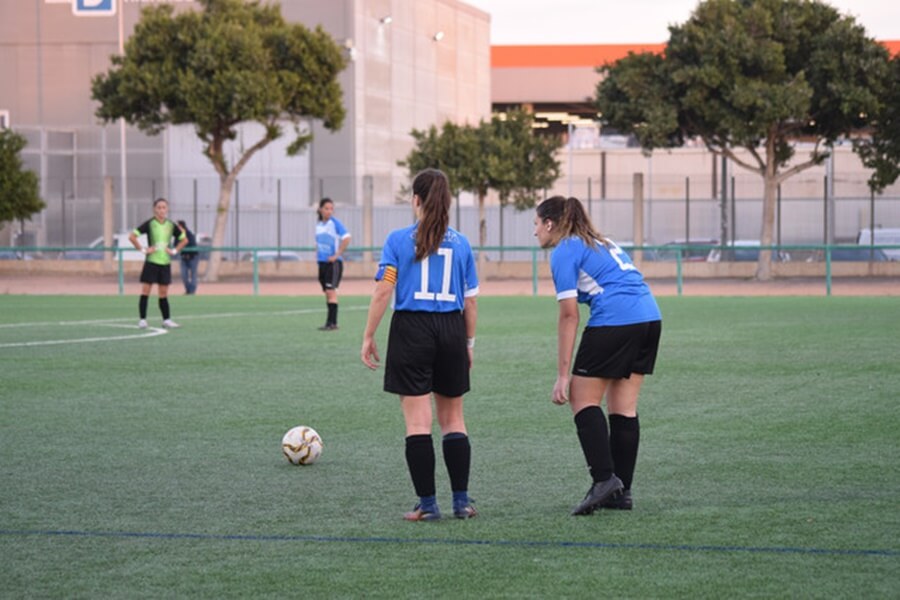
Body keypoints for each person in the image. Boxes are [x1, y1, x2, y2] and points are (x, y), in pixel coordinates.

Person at [361, 168, 479, 521]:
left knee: (418, 423)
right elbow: (470, 302)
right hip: (451, 329)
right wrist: (468, 343)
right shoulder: (462, 243)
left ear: (416, 201)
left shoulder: (398, 240)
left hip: (411, 329)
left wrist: (368, 335)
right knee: (454, 419)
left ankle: (428, 505)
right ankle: (462, 501)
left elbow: (384, 290)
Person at [534, 196, 661, 516]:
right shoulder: (602, 241)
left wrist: (563, 375)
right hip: (649, 318)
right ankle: (622, 491)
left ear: (550, 224)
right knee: (624, 408)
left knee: (581, 398)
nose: (535, 232)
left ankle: (604, 480)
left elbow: (568, 316)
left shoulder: (564, 250)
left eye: (536, 224)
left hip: (615, 320)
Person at [129, 197, 188, 329]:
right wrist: (143, 249)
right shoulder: (149, 223)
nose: (161, 210)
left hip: (165, 263)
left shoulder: (171, 225)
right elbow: (132, 236)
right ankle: (142, 320)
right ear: (154, 209)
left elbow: (184, 240)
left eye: (164, 207)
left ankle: (166, 320)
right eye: (159, 207)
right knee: (146, 291)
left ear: (167, 209)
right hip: (151, 262)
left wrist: (174, 251)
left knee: (163, 293)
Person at [315, 198, 351, 331]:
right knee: (327, 292)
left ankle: (333, 323)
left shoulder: (335, 223)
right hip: (322, 263)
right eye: (326, 208)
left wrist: (337, 255)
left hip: (333, 263)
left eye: (331, 208)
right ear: (320, 209)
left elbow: (347, 238)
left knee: (331, 291)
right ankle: (329, 322)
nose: (329, 211)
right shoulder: (319, 225)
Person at [177, 220, 199, 295]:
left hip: (193, 257)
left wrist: (183, 244)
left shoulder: (189, 234)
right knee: (184, 275)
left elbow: (192, 244)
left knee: (193, 274)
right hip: (183, 258)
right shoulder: (177, 235)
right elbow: (176, 245)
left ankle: (192, 291)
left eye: (178, 227)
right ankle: (188, 290)